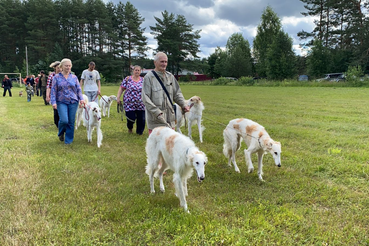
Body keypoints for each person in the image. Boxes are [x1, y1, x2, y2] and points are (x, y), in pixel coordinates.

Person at [142, 52, 190, 134]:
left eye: (166, 62)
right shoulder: (148, 77)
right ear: (155, 62)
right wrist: (157, 112)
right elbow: (145, 98)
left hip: (170, 119)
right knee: (157, 145)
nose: (164, 64)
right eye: (162, 61)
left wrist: (183, 105)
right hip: (156, 121)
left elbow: (177, 93)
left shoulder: (170, 76)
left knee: (170, 145)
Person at [50, 58, 85, 144]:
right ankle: (61, 132)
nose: (68, 67)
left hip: (73, 101)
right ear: (61, 66)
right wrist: (53, 102)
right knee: (64, 120)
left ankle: (68, 141)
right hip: (61, 101)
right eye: (66, 66)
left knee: (71, 121)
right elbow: (53, 91)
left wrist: (82, 99)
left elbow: (78, 89)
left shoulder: (74, 77)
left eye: (69, 66)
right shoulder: (56, 78)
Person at [117, 65, 146, 135]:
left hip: (141, 103)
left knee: (141, 119)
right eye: (135, 70)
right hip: (129, 103)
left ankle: (139, 132)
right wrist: (118, 97)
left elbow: (148, 90)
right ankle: (130, 127)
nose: (137, 71)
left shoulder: (143, 80)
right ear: (133, 71)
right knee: (131, 118)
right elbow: (121, 88)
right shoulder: (128, 79)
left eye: (138, 70)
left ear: (140, 71)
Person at [46, 61, 61, 127]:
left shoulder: (64, 75)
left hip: (62, 95)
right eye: (58, 68)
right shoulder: (51, 76)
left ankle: (62, 123)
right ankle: (57, 123)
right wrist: (47, 96)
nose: (60, 69)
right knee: (56, 110)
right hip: (54, 95)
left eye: (60, 67)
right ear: (55, 68)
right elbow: (48, 86)